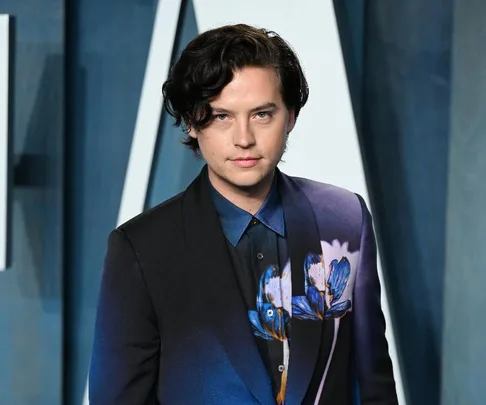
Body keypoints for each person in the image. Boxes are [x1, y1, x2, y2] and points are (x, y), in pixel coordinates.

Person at [89, 24, 398, 405]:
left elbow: (374, 387)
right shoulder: (141, 249)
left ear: (291, 116)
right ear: (191, 121)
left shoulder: (345, 219)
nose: (244, 138)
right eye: (221, 116)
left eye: (262, 114)